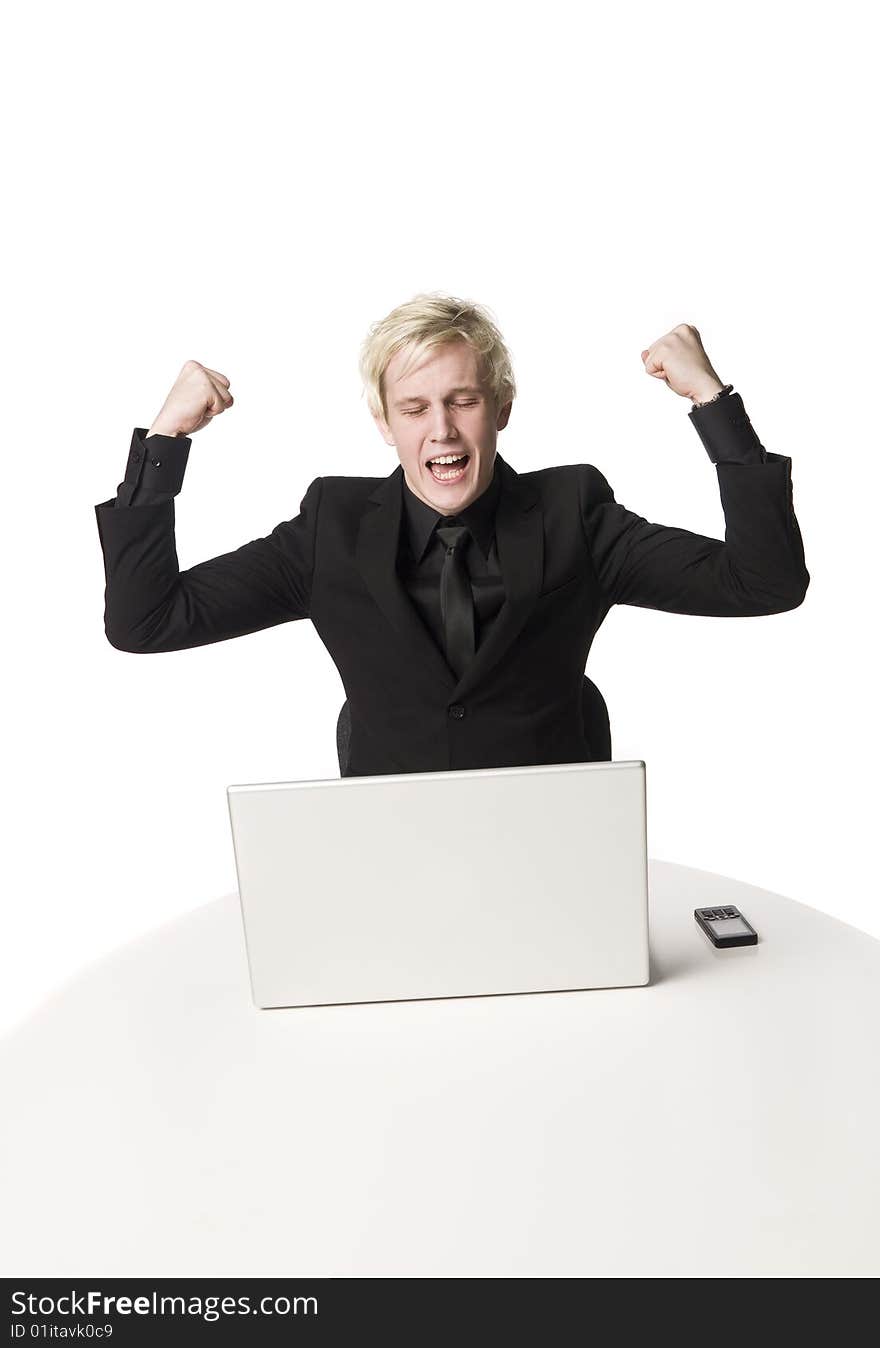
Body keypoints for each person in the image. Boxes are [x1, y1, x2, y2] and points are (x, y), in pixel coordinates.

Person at [94, 292, 809, 777]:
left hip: (558, 842)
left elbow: (764, 583)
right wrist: (165, 442)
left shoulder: (574, 513)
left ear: (499, 407)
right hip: (392, 854)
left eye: (462, 401)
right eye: (413, 408)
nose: (441, 429)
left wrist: (712, 403)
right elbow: (146, 621)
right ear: (384, 423)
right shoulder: (330, 529)